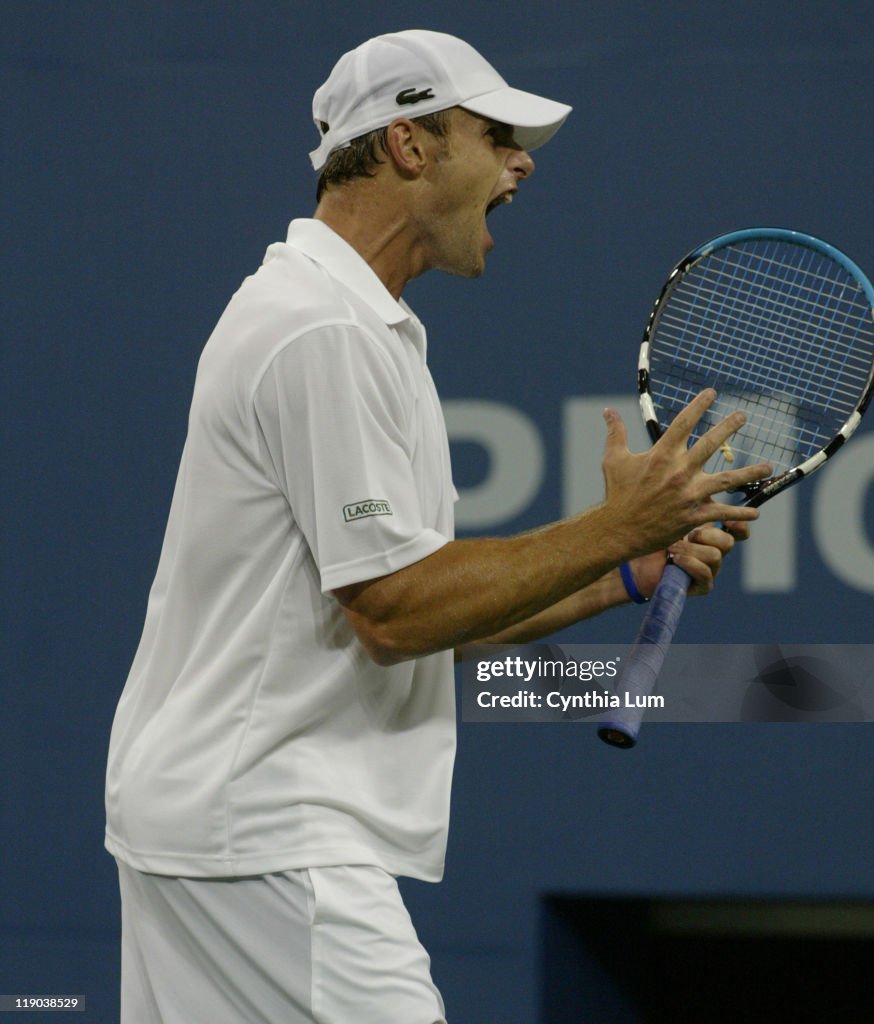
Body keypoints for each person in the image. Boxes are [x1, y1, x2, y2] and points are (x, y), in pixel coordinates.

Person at [105, 29, 770, 1024]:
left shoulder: (346, 323)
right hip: (271, 838)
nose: (522, 162)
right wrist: (612, 527)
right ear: (410, 145)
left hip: (218, 829)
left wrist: (621, 570)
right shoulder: (323, 331)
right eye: (495, 134)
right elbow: (394, 613)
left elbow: (415, 625)